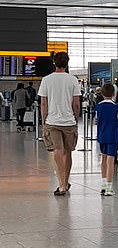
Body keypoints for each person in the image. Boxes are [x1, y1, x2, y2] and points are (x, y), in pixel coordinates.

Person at [38, 52, 81, 196]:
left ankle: (62, 184)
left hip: (52, 121)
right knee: (68, 152)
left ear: (54, 63)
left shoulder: (46, 80)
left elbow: (43, 103)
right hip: (69, 121)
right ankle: (65, 181)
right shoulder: (73, 80)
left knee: (57, 151)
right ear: (67, 63)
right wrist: (75, 117)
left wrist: (44, 119)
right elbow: (76, 103)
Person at [96, 84, 118, 197]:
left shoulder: (98, 106)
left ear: (101, 94)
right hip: (113, 136)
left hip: (102, 136)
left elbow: (95, 121)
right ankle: (109, 187)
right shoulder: (116, 106)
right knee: (111, 160)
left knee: (104, 158)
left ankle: (103, 184)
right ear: (113, 94)